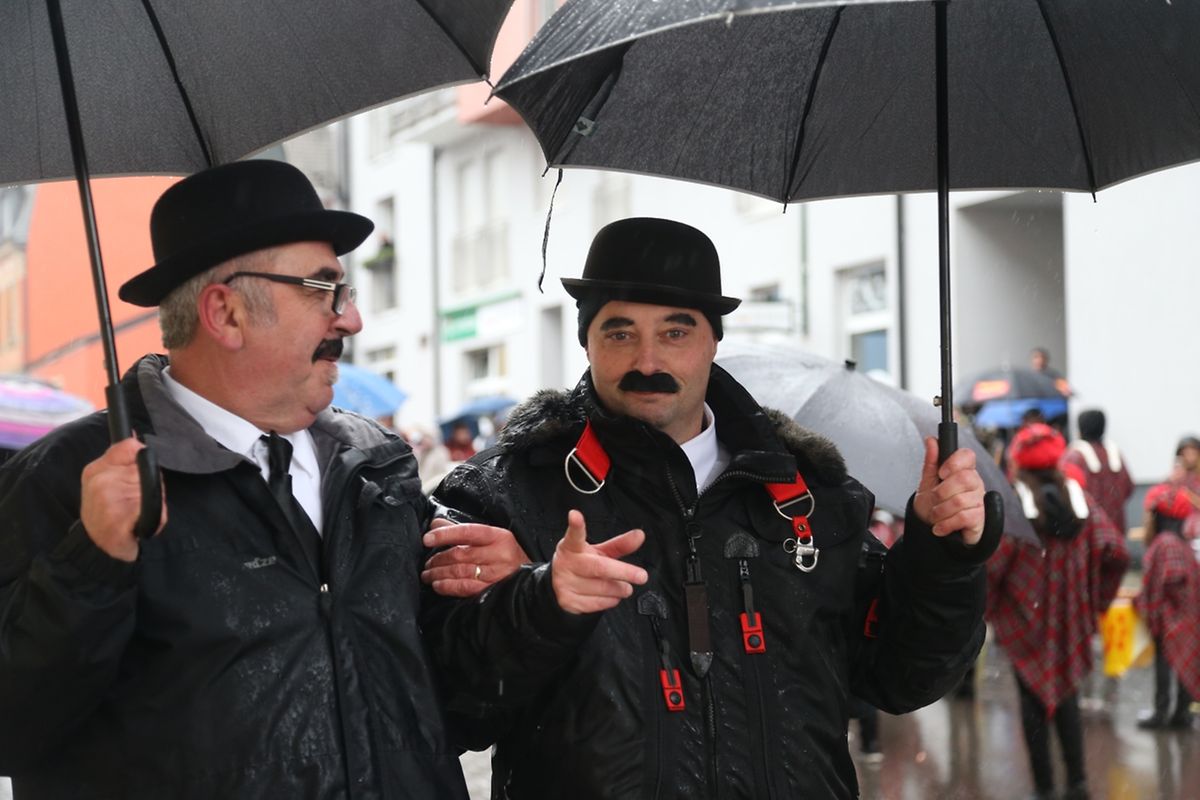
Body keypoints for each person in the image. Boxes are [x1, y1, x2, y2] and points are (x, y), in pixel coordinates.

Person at [426, 217, 1000, 799]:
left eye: (675, 333)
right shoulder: (504, 493)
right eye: (620, 333)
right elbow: (448, 704)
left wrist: (942, 553)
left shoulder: (804, 497)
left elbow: (905, 675)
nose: (647, 360)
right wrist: (540, 604)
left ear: (713, 340)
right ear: (586, 341)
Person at [0, 160, 484, 797]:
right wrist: (91, 564)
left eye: (347, 291)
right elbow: (14, 730)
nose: (350, 320)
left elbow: (457, 702)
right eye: (322, 288)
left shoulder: (376, 463)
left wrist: (525, 602)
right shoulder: (67, 478)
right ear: (225, 314)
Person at [987, 423, 1128, 800]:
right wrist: (1095, 601)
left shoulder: (1016, 506)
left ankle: (1045, 787)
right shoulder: (1079, 499)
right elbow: (1117, 551)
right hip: (1071, 620)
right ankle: (1078, 783)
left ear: (1020, 462)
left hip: (1025, 621)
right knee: (1068, 698)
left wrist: (991, 606)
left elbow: (994, 567)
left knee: (1032, 703)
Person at [1134, 483, 1200, 730]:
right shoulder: (1179, 543)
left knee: (1167, 664)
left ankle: (1163, 713)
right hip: (1187, 618)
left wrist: (1151, 605)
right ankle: (1180, 713)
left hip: (1172, 619)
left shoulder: (1165, 543)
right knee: (1184, 663)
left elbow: (1170, 581)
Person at [1060, 409, 1134, 534]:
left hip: (1089, 530)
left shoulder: (1074, 456)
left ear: (1080, 429)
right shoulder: (1114, 454)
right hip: (1116, 528)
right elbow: (1129, 487)